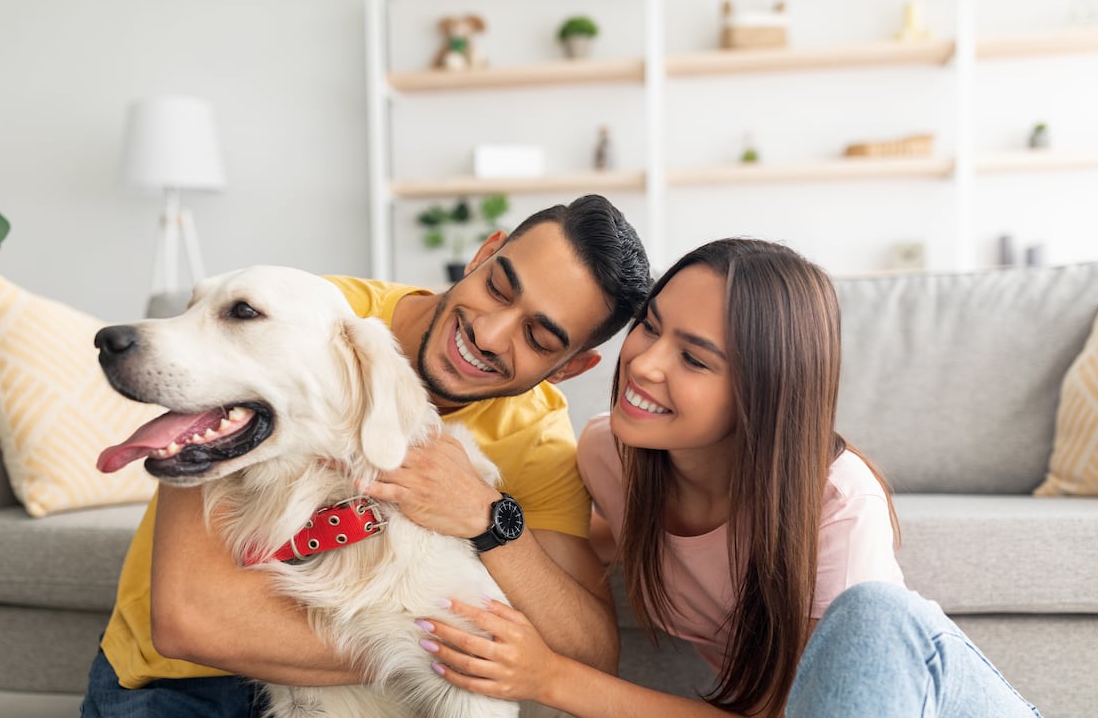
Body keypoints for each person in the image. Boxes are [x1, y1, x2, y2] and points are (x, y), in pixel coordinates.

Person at [80, 194, 653, 716]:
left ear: (570, 368)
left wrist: (488, 517)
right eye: (500, 288)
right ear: (484, 253)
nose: (489, 333)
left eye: (540, 339)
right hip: (184, 687)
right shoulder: (304, 313)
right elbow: (190, 623)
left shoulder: (536, 432)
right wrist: (454, 645)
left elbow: (587, 654)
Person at [418, 239, 1043, 717]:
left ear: (760, 392)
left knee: (875, 614)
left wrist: (550, 677)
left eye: (693, 358)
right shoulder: (610, 456)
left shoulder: (837, 502)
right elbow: (572, 550)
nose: (645, 365)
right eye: (650, 326)